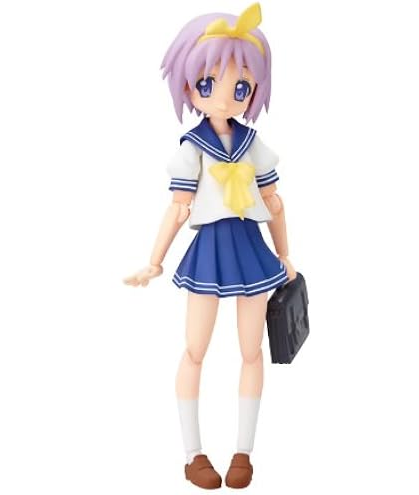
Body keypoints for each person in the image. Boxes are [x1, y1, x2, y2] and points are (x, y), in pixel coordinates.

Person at [124, 3, 296, 489]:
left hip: (251, 248)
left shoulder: (253, 144)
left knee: (251, 351)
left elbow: (274, 202)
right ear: (189, 87)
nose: (224, 96)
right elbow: (179, 208)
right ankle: (192, 453)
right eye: (208, 83)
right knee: (195, 350)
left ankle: (243, 452)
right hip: (209, 253)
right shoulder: (192, 148)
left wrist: (285, 254)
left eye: (241, 87)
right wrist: (154, 260)